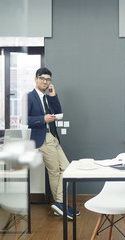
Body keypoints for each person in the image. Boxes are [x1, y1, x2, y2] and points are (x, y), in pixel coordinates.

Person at [27, 67, 79, 219]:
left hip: (53, 137)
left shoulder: (48, 96)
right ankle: (60, 204)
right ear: (35, 78)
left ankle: (59, 203)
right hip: (42, 139)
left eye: (48, 79)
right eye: (42, 78)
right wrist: (42, 119)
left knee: (67, 169)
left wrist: (53, 96)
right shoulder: (29, 97)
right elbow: (23, 120)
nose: (45, 81)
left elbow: (59, 114)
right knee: (55, 172)